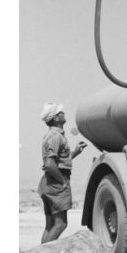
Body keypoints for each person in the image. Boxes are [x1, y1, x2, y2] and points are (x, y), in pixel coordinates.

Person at [38, 103, 87, 244]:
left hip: (49, 182)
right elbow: (49, 164)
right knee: (61, 224)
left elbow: (59, 161)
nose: (63, 113)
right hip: (56, 182)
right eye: (60, 112)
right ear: (56, 118)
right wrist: (63, 182)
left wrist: (75, 152)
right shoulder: (56, 137)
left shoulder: (51, 135)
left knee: (50, 225)